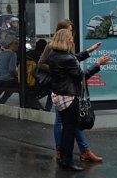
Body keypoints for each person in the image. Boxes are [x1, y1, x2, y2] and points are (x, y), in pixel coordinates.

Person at [38, 19, 104, 163]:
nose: (71, 35)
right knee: (67, 125)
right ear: (61, 32)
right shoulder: (53, 48)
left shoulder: (62, 49)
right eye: (69, 31)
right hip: (64, 91)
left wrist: (89, 51)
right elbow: (44, 64)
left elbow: (72, 59)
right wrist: (58, 72)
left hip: (61, 90)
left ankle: (78, 151)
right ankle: (64, 153)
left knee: (70, 124)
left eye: (72, 31)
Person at [0, 37, 19, 103]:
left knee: (0, 88)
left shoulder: (1, 53)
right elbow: (12, 69)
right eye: (16, 43)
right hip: (7, 79)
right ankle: (2, 100)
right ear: (10, 45)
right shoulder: (12, 54)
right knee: (16, 84)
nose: (18, 45)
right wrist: (17, 74)